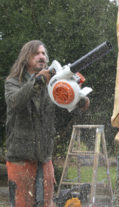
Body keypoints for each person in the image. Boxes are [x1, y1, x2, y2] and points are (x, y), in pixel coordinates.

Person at [4, 40, 89, 207]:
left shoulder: (52, 84)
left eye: (43, 53)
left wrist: (78, 99)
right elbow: (15, 102)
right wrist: (37, 82)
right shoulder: (12, 82)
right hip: (20, 157)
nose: (41, 57)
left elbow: (67, 102)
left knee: (47, 204)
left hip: (44, 157)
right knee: (22, 204)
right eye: (36, 53)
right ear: (25, 58)